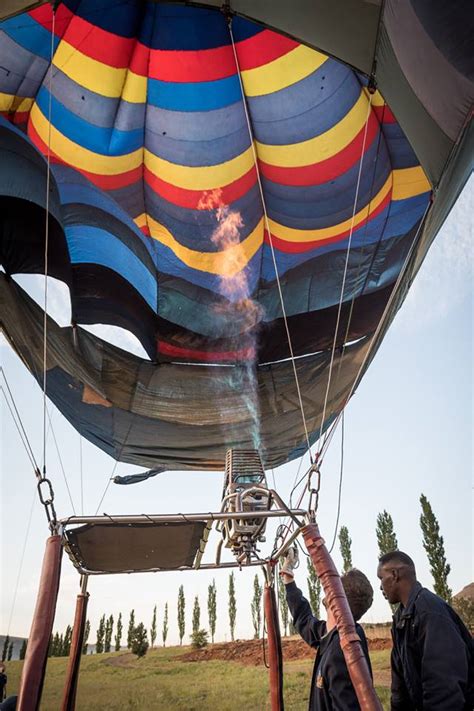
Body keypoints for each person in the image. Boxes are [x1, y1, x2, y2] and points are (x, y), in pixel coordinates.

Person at [377, 550, 474, 710]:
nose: (380, 587)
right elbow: (399, 688)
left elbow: (444, 688)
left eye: (381, 578)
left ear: (394, 575)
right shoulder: (400, 620)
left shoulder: (430, 613)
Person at [281, 547, 374, 710]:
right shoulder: (341, 634)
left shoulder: (343, 651)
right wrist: (289, 578)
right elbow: (306, 622)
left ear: (335, 598)